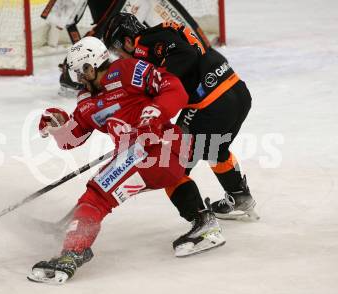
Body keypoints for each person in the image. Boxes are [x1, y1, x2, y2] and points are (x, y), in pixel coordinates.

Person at [28, 36, 225, 284]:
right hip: (151, 160)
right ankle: (204, 222)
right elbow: (73, 138)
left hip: (159, 147)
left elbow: (173, 87)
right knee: (119, 185)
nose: (79, 78)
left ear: (93, 64)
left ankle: (71, 254)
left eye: (81, 71)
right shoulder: (86, 101)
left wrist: (154, 113)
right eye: (76, 73)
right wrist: (58, 127)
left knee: (98, 196)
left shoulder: (126, 70)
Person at [102, 13, 259, 221]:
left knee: (172, 165)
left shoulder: (144, 45)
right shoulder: (160, 34)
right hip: (237, 93)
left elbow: (186, 56)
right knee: (214, 148)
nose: (119, 56)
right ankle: (240, 196)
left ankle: (203, 224)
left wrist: (157, 91)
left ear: (128, 41)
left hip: (212, 103)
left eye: (116, 49)